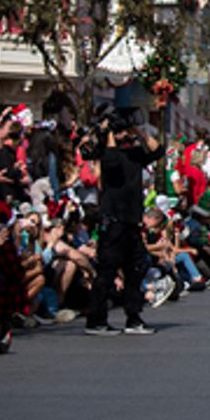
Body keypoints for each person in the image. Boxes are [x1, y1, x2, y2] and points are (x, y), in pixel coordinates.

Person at [84, 115, 161, 336]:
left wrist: (139, 131)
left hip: (131, 221)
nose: (124, 135)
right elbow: (110, 162)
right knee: (107, 272)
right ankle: (96, 321)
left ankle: (133, 318)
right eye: (120, 132)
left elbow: (157, 151)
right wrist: (109, 134)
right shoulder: (108, 153)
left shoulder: (134, 154)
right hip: (113, 222)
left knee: (136, 269)